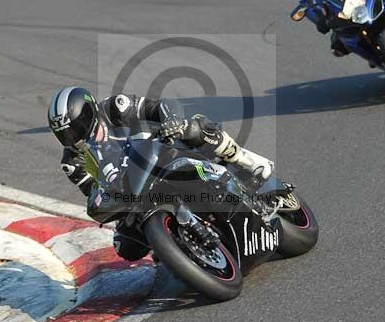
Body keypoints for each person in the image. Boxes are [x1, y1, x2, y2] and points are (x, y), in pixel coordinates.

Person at [47, 86, 273, 260]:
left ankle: (246, 161)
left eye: (76, 127)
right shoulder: (73, 162)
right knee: (125, 246)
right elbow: (94, 194)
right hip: (132, 191)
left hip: (164, 151)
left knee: (194, 128)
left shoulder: (115, 108)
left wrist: (171, 120)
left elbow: (157, 106)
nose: (73, 137)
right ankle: (174, 248)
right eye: (65, 134)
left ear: (89, 113)